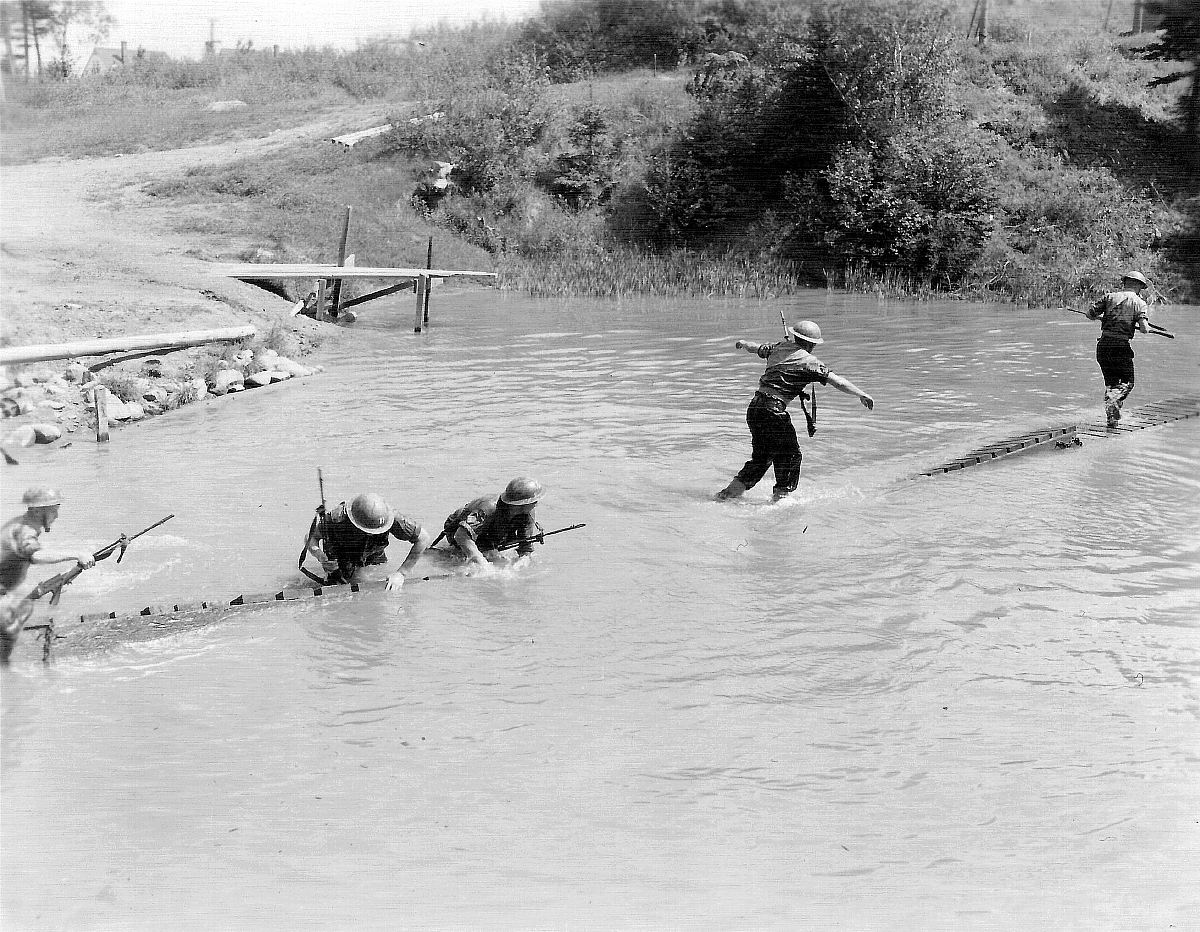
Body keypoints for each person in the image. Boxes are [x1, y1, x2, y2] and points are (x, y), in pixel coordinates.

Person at [716, 319, 874, 502]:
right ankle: (780, 499)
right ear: (812, 344)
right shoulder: (810, 362)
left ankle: (726, 495)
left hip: (755, 408)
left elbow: (755, 347)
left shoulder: (778, 348)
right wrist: (861, 394)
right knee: (790, 454)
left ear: (795, 336)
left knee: (762, 458)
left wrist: (743, 344)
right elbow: (838, 381)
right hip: (773, 411)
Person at [1, 486, 95, 665]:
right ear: (37, 511)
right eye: (54, 510)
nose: (57, 516)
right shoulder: (24, 530)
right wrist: (76, 554)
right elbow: (35, 555)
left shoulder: (20, 524)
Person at [303, 492, 430, 590]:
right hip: (344, 556)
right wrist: (320, 556)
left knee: (383, 583)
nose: (370, 533)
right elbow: (311, 538)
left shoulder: (389, 517)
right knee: (344, 586)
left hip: (373, 553)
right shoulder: (336, 519)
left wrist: (401, 573)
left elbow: (423, 539)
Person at [1085, 270, 1153, 428]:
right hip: (1120, 347)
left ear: (1125, 283)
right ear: (1138, 286)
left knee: (1111, 384)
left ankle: (1112, 422)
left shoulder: (1109, 297)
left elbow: (1090, 314)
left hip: (1103, 346)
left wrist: (1101, 317)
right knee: (1126, 384)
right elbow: (1143, 328)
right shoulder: (1139, 303)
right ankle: (1113, 403)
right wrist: (1146, 327)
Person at [442, 477, 543, 569]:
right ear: (522, 504)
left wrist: (520, 564)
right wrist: (483, 565)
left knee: (495, 555)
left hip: (495, 532)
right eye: (534, 502)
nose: (536, 504)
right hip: (458, 528)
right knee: (476, 558)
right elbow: (461, 535)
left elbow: (526, 547)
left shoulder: (528, 513)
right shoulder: (489, 508)